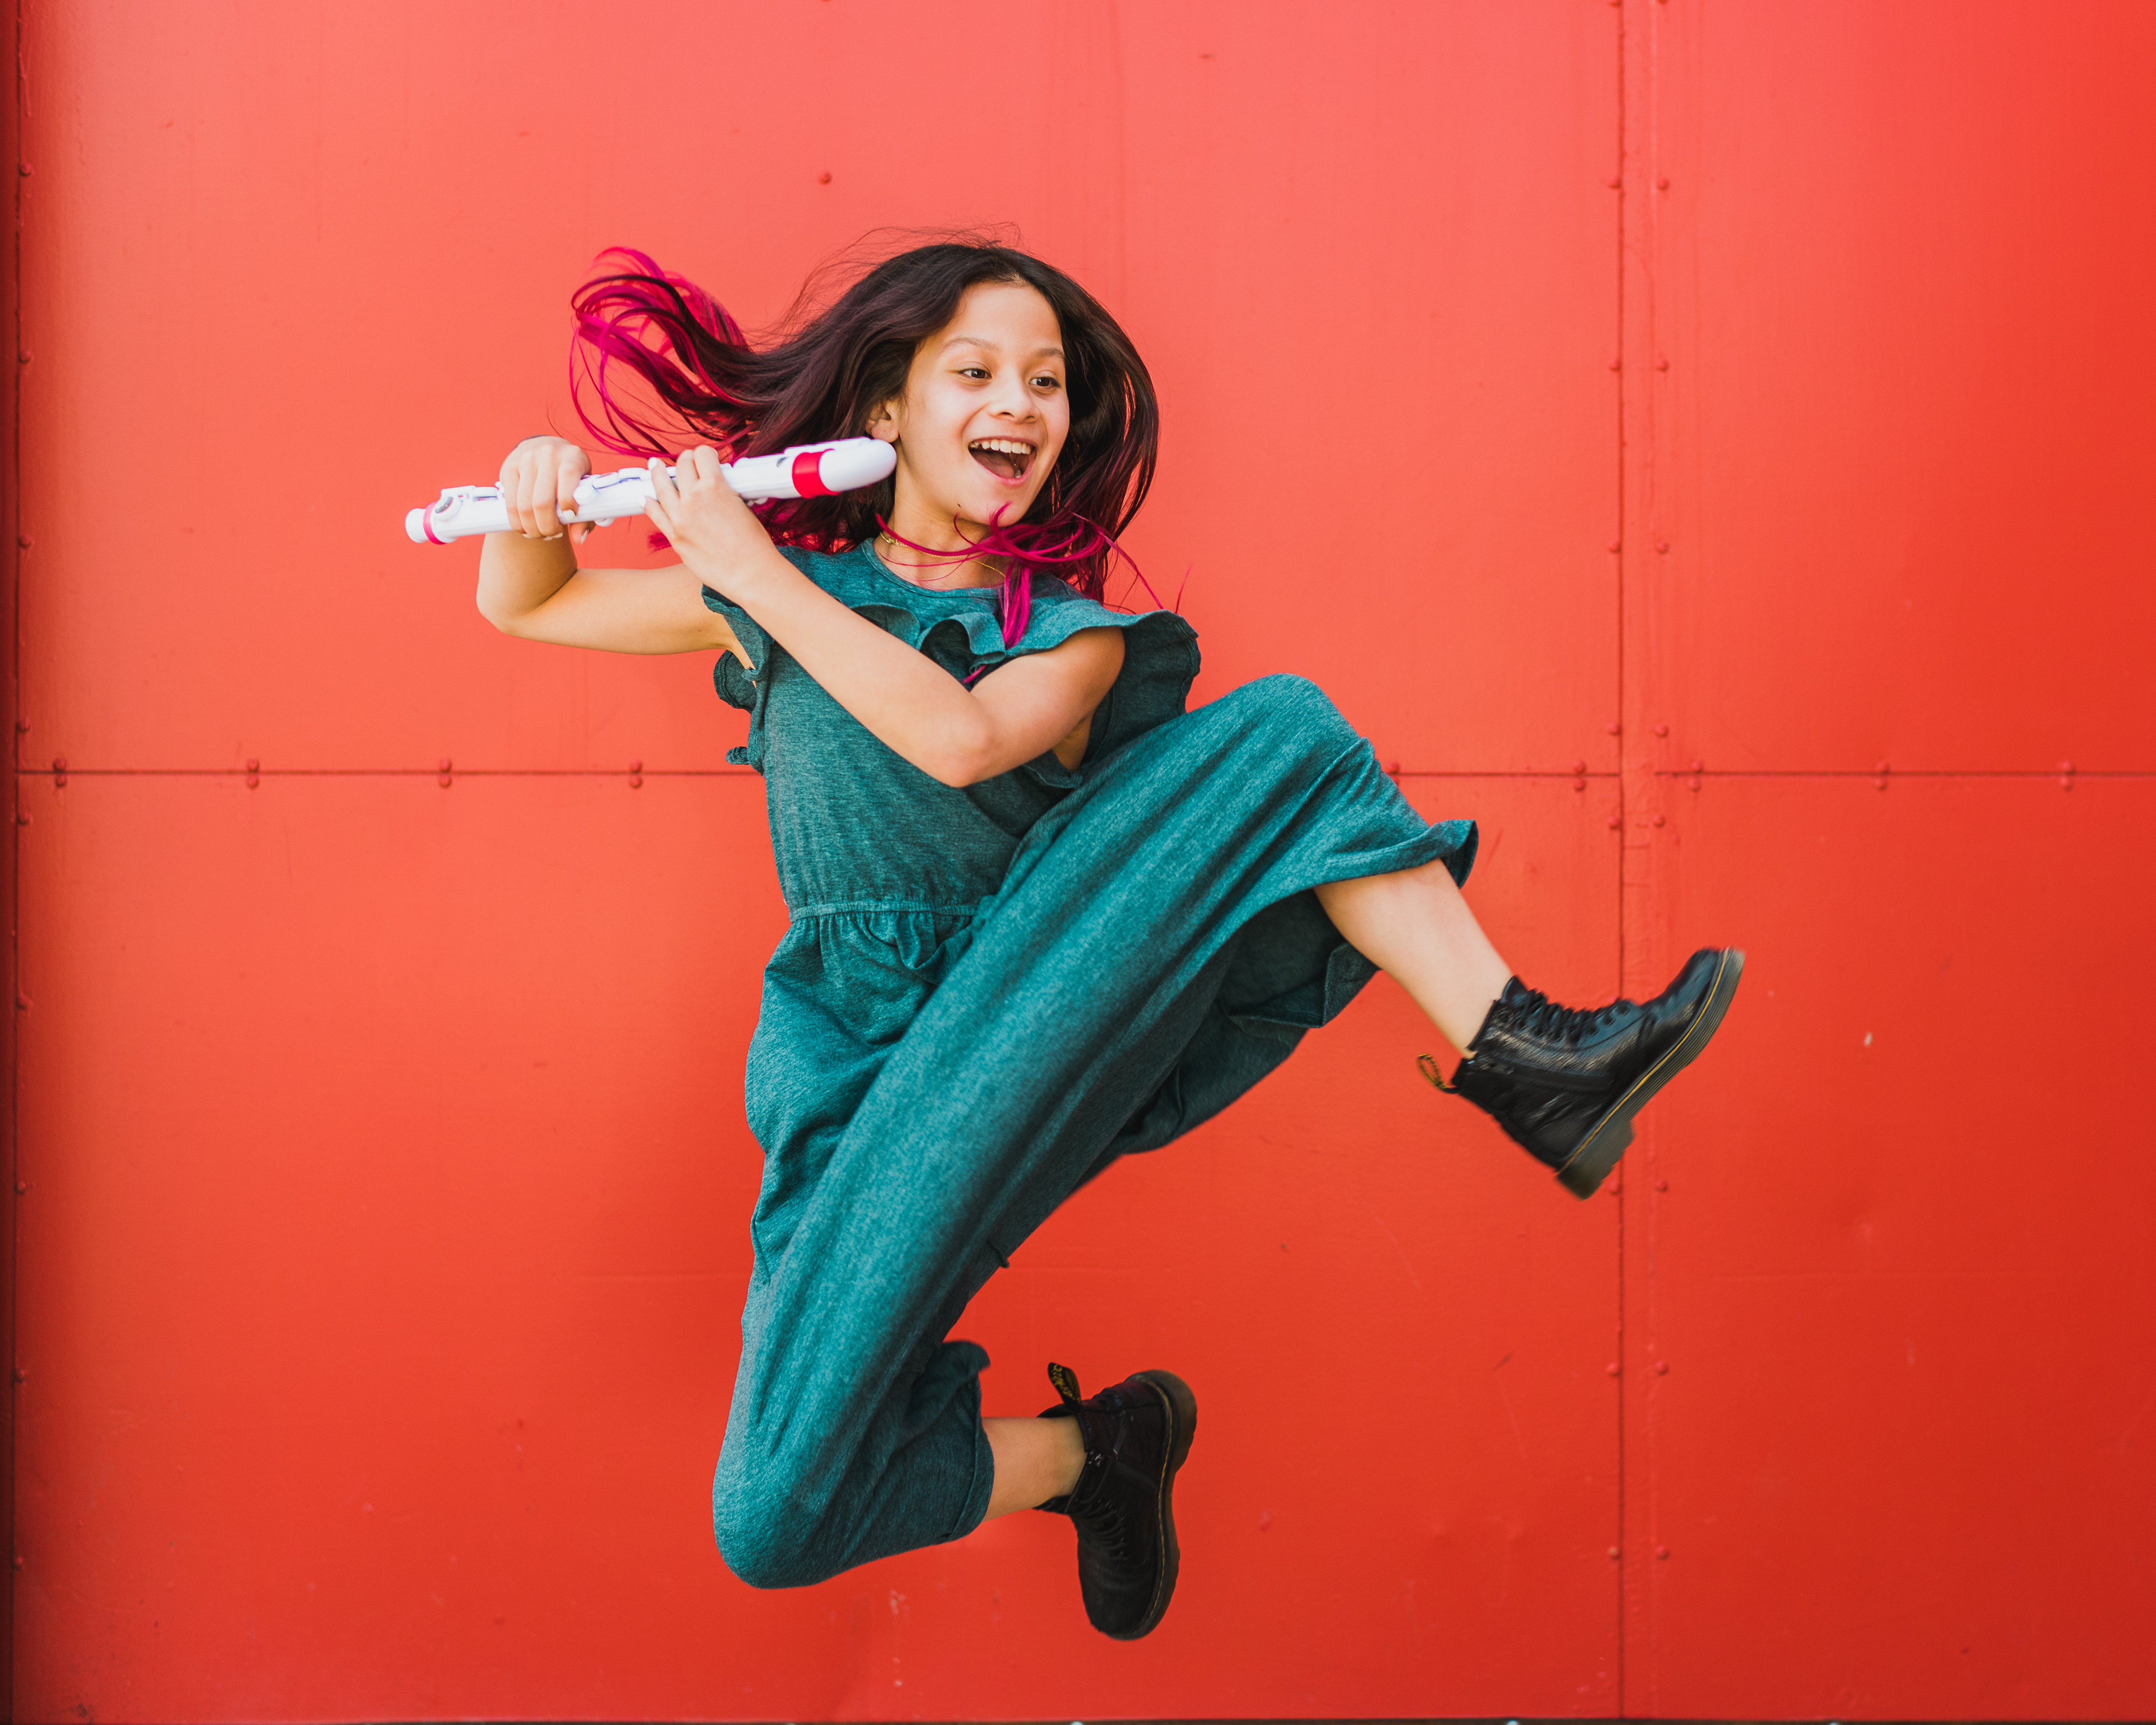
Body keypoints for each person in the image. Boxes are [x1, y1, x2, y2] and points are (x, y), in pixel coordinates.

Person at [470, 238, 1742, 1640]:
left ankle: (1528, 1059)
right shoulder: (776, 597)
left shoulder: (1064, 640)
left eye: (1047, 380)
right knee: (773, 1519)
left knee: (1284, 734)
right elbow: (526, 603)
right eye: (975, 371)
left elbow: (955, 743)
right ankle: (1105, 1457)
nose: (1020, 400)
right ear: (886, 411)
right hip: (852, 1098)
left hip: (1032, 1003)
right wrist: (537, 492)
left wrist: (759, 575)